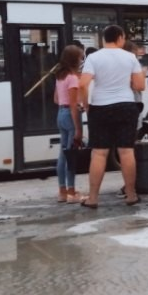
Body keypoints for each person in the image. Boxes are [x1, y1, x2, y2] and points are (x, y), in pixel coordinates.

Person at [77, 25, 145, 208]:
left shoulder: (94, 57)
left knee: (99, 153)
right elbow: (139, 86)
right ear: (120, 37)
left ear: (103, 39)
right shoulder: (130, 57)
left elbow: (83, 85)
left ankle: (92, 198)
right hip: (126, 106)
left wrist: (86, 105)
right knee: (126, 151)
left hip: (100, 107)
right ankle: (131, 195)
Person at [53, 45, 84, 203]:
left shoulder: (60, 76)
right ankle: (72, 192)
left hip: (60, 114)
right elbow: (73, 104)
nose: (82, 60)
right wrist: (78, 128)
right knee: (71, 155)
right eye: (80, 57)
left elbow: (56, 99)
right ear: (74, 59)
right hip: (70, 115)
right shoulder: (72, 78)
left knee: (63, 155)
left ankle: (62, 192)